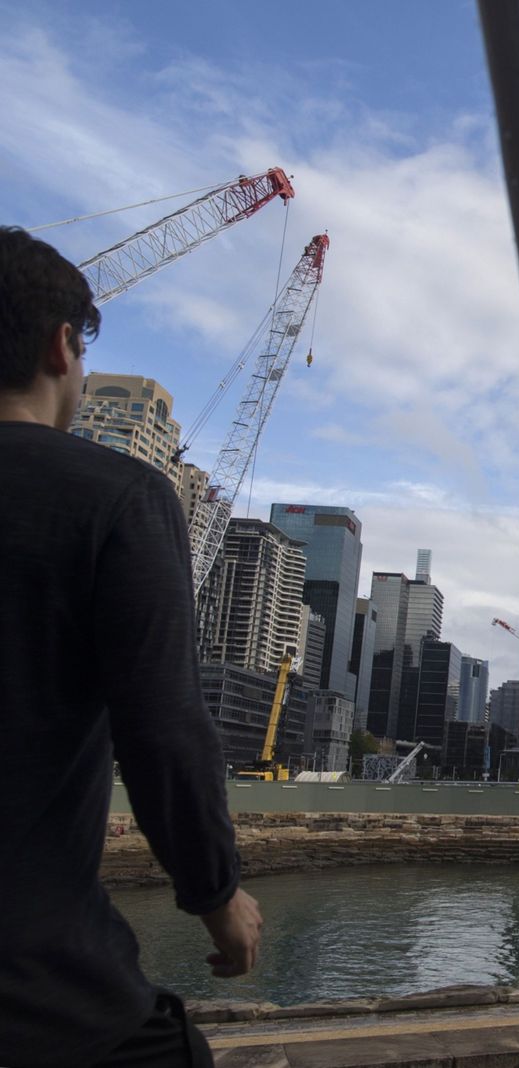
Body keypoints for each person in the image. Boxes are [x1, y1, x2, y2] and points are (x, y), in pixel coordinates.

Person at [0, 226, 263, 1067]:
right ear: (62, 346)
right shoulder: (115, 498)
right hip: (33, 980)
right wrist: (215, 894)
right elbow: (163, 727)